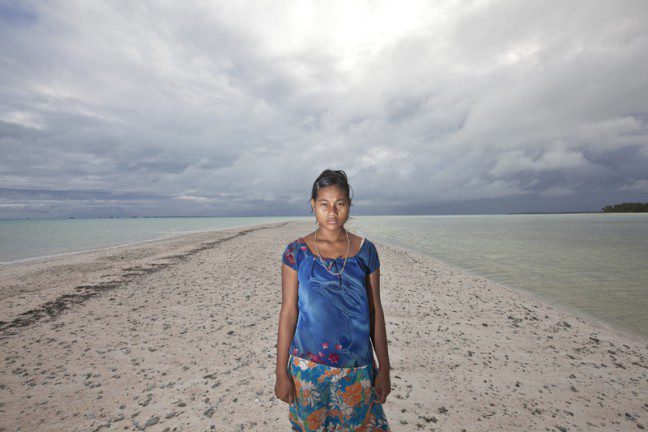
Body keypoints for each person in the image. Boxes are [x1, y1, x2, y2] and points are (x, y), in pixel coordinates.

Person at [275, 169, 391, 431]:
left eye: (340, 204)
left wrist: (384, 368)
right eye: (324, 204)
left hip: (357, 369)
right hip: (308, 369)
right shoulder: (296, 252)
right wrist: (281, 371)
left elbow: (375, 311)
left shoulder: (365, 251)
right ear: (313, 205)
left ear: (349, 205)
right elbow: (289, 313)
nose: (332, 212)